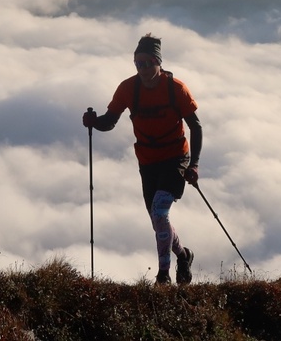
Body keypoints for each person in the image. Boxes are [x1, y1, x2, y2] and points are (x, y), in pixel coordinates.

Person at [83, 34, 202, 285]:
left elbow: (196, 126)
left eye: (148, 63)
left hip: (175, 157)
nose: (144, 69)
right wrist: (94, 122)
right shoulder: (128, 88)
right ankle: (183, 255)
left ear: (159, 62)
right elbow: (110, 121)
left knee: (159, 210)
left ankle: (163, 276)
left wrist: (194, 164)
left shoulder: (176, 88)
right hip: (147, 161)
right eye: (139, 64)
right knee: (158, 220)